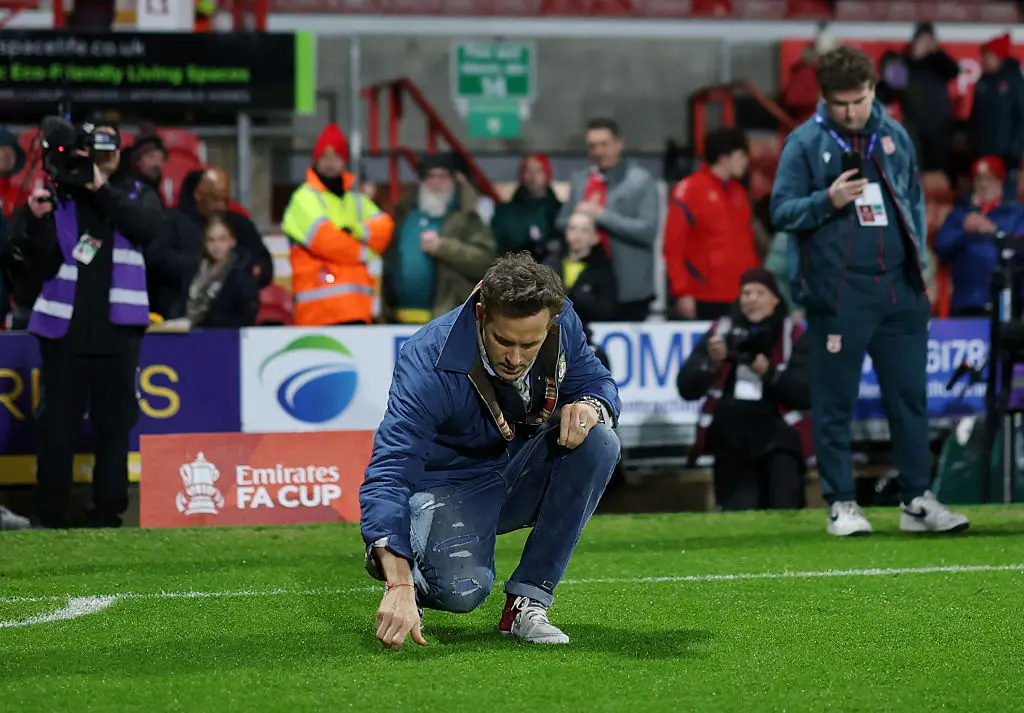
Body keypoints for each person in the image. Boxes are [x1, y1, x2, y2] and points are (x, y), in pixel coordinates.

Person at [361, 253, 621, 650]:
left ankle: (527, 603)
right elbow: (391, 469)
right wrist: (398, 582)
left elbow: (596, 381)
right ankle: (403, 556)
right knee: (462, 593)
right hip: (449, 487)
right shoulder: (428, 357)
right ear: (481, 315)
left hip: (517, 471)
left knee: (600, 440)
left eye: (529, 344)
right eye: (503, 341)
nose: (515, 358)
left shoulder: (563, 321)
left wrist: (589, 405)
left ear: (550, 324)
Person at [770, 46, 968, 536]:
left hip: (899, 290)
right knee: (836, 402)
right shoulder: (804, 143)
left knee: (910, 398)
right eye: (841, 104)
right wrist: (827, 199)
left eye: (859, 100)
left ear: (874, 91)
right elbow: (781, 211)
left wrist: (919, 274)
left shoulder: (895, 135)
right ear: (824, 99)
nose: (852, 111)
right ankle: (841, 502)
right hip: (838, 294)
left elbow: (916, 207)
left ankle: (916, 499)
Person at [8, 122, 163, 528]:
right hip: (64, 333)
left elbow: (149, 230)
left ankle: (108, 512)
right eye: (96, 154)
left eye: (110, 153)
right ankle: (48, 513)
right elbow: (32, 267)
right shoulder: (61, 196)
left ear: (120, 155)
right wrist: (32, 217)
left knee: (114, 428)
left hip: (118, 331)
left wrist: (101, 188)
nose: (103, 161)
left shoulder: (133, 193)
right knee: (56, 428)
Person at [676, 268, 811, 511]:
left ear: (775, 299)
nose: (751, 299)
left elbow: (807, 394)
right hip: (731, 435)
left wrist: (770, 373)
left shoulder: (793, 334)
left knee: (785, 509)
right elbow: (686, 387)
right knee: (738, 513)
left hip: (779, 434)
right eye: (746, 293)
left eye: (760, 293)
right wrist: (712, 364)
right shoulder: (722, 331)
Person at [281, 123, 394, 325]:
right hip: (318, 313)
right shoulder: (304, 198)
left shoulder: (355, 200)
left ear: (344, 162)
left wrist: (355, 230)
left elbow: (385, 228)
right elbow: (327, 242)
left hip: (358, 310)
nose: (330, 164)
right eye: (324, 158)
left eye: (336, 158)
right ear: (315, 161)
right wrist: (365, 252)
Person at [556, 118, 659, 321]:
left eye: (604, 144)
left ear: (619, 144)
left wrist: (602, 215)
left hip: (630, 290)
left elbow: (647, 230)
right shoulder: (580, 180)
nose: (598, 151)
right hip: (587, 290)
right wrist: (579, 221)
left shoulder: (640, 181)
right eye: (592, 146)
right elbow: (561, 222)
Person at [384, 154, 494, 325]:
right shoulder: (404, 214)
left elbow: (485, 261)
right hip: (398, 317)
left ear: (453, 180)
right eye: (430, 176)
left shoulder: (467, 217)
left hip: (445, 319)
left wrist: (443, 247)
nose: (435, 182)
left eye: (442, 176)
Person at [664, 127, 761, 321]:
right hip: (704, 295)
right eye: (741, 155)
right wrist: (681, 291)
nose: (746, 162)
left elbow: (747, 244)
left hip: (740, 294)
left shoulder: (739, 193)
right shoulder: (689, 190)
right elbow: (673, 245)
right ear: (724, 158)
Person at [933, 156, 1024, 317]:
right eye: (979, 179)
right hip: (965, 301)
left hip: (1006, 299)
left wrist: (994, 231)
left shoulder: (1015, 213)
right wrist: (964, 231)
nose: (983, 185)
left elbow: (1018, 246)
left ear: (1000, 182)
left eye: (989, 179)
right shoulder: (960, 214)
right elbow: (941, 247)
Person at [169, 215, 261, 328]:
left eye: (222, 239)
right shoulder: (193, 269)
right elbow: (181, 303)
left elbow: (246, 316)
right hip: (188, 333)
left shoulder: (241, 272)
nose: (217, 246)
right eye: (211, 240)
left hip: (225, 337)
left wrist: (203, 323)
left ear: (232, 241)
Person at [489, 154, 563, 262]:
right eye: (528, 170)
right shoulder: (505, 212)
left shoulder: (559, 211)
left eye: (538, 171)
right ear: (521, 175)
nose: (532, 176)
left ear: (547, 174)